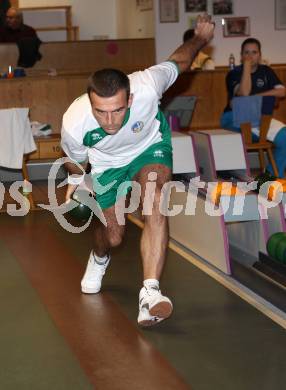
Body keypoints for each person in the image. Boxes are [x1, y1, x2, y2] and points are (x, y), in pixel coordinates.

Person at [61, 14, 214, 327]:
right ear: (90, 105)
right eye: (101, 113)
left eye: (118, 109)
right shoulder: (74, 122)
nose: (111, 121)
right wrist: (77, 180)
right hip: (105, 164)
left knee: (155, 198)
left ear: (129, 98)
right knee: (113, 236)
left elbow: (179, 61)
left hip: (149, 148)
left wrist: (200, 38)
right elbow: (74, 158)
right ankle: (98, 258)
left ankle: (150, 294)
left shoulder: (147, 84)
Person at [220, 37, 286, 178]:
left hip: (261, 118)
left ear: (260, 55)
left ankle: (270, 177)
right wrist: (247, 68)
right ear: (241, 56)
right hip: (233, 118)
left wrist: (258, 97)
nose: (250, 56)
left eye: (254, 52)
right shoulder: (234, 73)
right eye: (246, 53)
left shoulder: (266, 71)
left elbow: (282, 91)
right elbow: (244, 93)